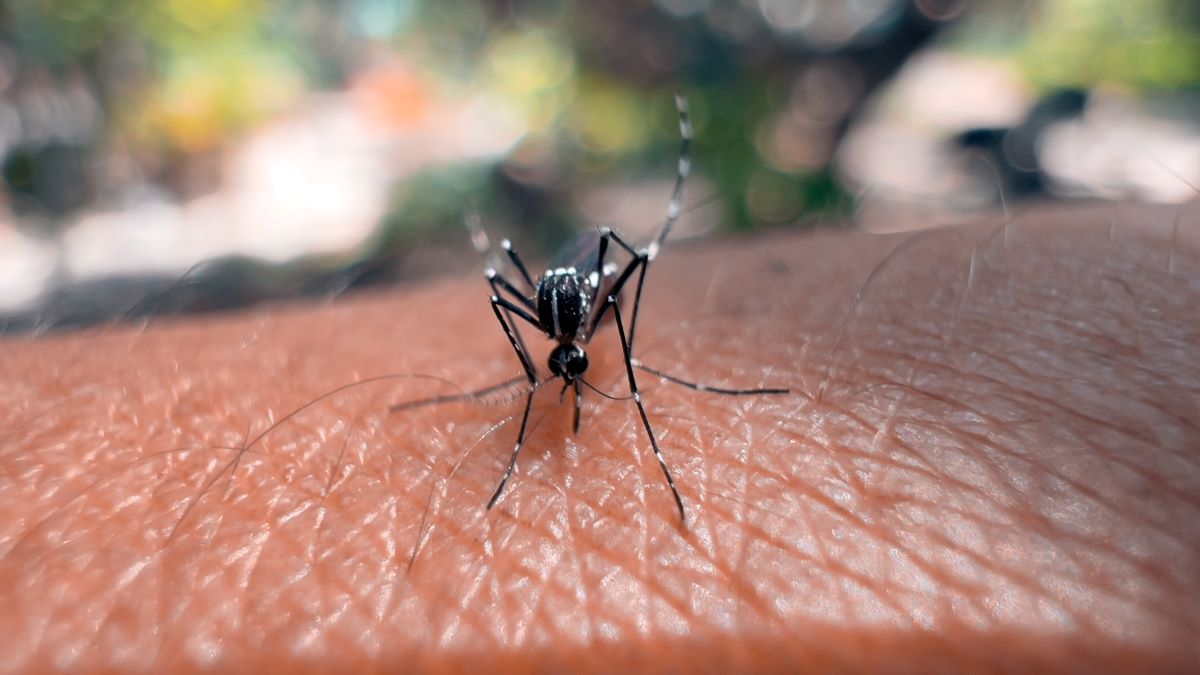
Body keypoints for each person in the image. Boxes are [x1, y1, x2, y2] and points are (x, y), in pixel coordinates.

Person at [1, 201, 1196, 672]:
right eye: (565, 365)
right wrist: (534, 378)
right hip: (553, 291)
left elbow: (621, 264)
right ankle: (531, 389)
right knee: (497, 272)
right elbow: (499, 286)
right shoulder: (537, 322)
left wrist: (623, 356)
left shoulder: (601, 307)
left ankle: (655, 373)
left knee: (635, 252)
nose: (569, 370)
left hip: (599, 278)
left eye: (567, 363)